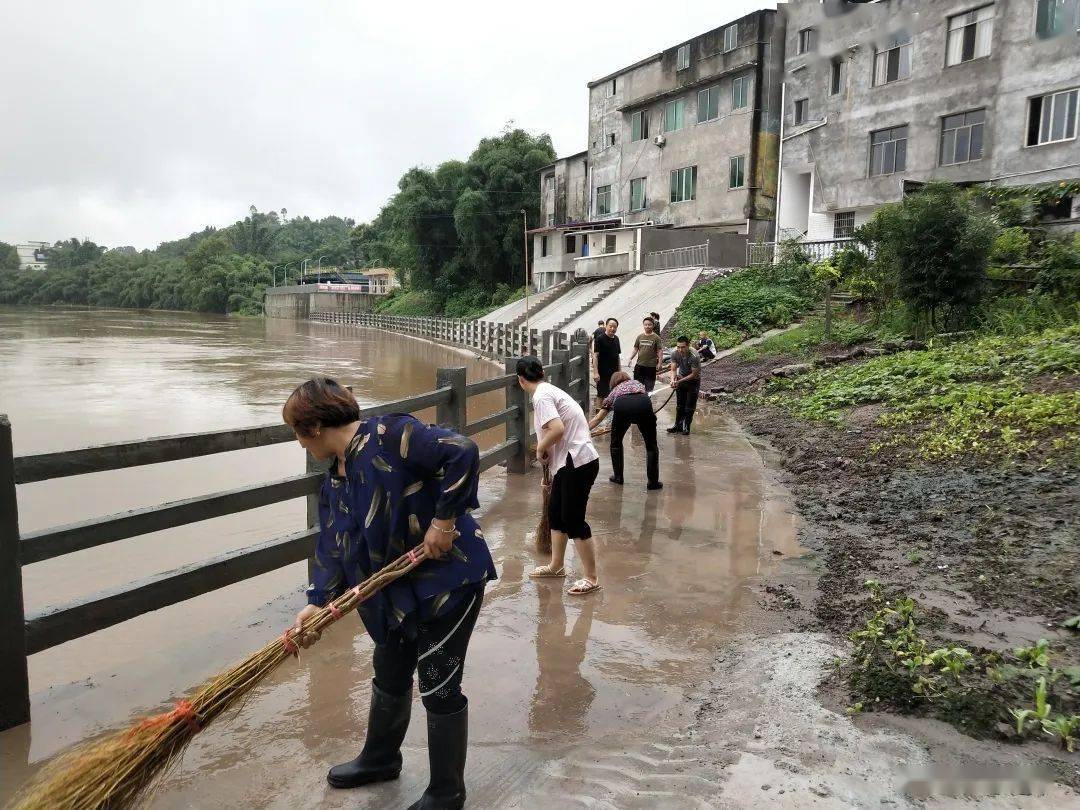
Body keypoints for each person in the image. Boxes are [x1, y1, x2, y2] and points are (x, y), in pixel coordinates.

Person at [285, 377, 496, 810]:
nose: (301, 445)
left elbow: (463, 451)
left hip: (447, 581)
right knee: (390, 669)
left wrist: (444, 521)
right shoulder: (335, 481)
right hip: (395, 595)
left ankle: (446, 793)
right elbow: (332, 545)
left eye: (298, 435)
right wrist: (317, 602)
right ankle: (380, 758)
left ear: (314, 428)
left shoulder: (392, 435)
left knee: (438, 682)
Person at [518, 357, 602, 596]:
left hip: (577, 462)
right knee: (556, 515)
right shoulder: (549, 389)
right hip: (569, 461)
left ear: (520, 380)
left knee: (573, 520)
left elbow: (557, 429)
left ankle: (591, 577)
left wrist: (540, 447)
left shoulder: (541, 396)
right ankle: (557, 566)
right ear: (542, 372)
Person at [589, 370, 662, 490]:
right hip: (644, 403)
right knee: (651, 446)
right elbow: (646, 399)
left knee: (616, 443)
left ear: (613, 383)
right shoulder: (638, 384)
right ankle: (653, 482)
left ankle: (618, 477)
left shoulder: (615, 390)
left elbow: (599, 417)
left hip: (623, 406)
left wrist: (584, 429)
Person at [667, 336, 701, 436]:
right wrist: (673, 380)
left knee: (689, 406)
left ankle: (686, 426)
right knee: (680, 405)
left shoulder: (694, 356)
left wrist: (679, 380)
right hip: (681, 378)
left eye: (683, 347)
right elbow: (673, 369)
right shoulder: (674, 353)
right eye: (678, 347)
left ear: (688, 345)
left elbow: (694, 374)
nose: (680, 349)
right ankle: (677, 425)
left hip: (693, 381)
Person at [591, 317, 621, 406]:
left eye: (615, 327)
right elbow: (595, 356)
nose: (612, 329)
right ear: (606, 326)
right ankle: (598, 416)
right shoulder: (600, 339)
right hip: (602, 373)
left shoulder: (616, 339)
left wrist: (619, 372)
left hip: (614, 373)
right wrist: (595, 372)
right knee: (601, 395)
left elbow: (617, 356)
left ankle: (611, 415)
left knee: (614, 394)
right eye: (610, 326)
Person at [627, 316, 663, 392]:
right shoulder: (640, 337)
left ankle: (647, 402)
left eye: (649, 324)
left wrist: (659, 363)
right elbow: (635, 348)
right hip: (639, 365)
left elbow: (660, 351)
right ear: (643, 325)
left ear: (653, 325)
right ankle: (638, 402)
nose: (647, 326)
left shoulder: (656, 338)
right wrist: (630, 358)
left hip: (651, 366)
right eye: (645, 324)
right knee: (637, 387)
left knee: (649, 388)